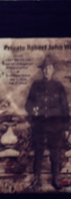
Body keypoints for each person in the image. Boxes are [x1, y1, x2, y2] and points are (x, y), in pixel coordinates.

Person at [25, 55, 70, 191]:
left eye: (49, 68)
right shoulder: (35, 85)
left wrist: (67, 127)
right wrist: (34, 110)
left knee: (55, 154)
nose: (46, 71)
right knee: (38, 154)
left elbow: (65, 109)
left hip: (55, 127)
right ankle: (37, 180)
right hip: (39, 126)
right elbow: (27, 105)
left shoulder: (59, 86)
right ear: (42, 70)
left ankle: (55, 180)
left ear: (53, 70)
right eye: (44, 68)